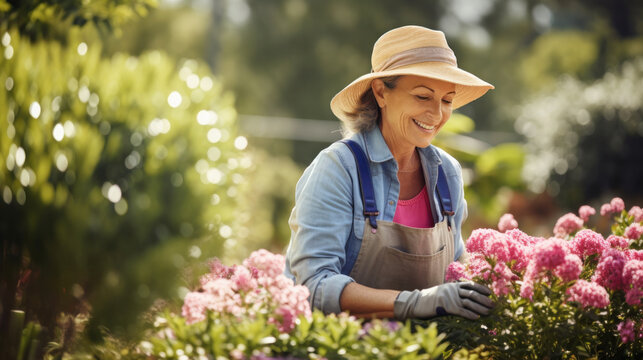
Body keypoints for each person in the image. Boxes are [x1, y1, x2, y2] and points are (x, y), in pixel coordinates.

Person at [284, 25, 495, 321]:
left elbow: (455, 270)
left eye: (447, 100)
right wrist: (414, 302)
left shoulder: (447, 172)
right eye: (423, 97)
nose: (436, 115)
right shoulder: (338, 168)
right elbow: (313, 287)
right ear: (381, 92)